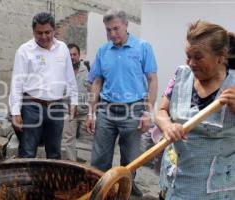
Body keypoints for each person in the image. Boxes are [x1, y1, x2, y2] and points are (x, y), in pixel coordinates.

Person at [155, 20, 235, 199]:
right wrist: (168, 126)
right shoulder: (180, 75)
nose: (191, 63)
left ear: (220, 56)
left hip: (214, 190)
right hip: (173, 182)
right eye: (188, 56)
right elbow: (161, 111)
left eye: (198, 57)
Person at [86, 9, 158, 198]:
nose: (112, 34)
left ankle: (127, 189)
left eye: (116, 29)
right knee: (99, 158)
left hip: (134, 110)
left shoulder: (143, 47)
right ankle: (101, 191)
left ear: (127, 25)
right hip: (106, 110)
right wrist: (90, 113)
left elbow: (152, 79)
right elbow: (97, 82)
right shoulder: (103, 50)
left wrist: (148, 112)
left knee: (131, 158)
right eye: (108, 30)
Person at [9, 12, 78, 159]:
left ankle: (50, 181)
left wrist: (74, 101)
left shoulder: (63, 49)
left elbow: (70, 78)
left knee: (54, 152)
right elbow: (17, 82)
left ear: (54, 30)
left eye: (48, 32)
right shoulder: (24, 50)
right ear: (33, 31)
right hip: (32, 107)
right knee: (27, 151)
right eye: (39, 33)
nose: (44, 36)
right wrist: (15, 112)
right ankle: (27, 182)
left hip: (57, 107)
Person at [61, 43, 89, 161]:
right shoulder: (62, 71)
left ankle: (91, 165)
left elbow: (93, 90)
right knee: (68, 139)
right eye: (69, 54)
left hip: (85, 112)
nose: (72, 57)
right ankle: (73, 164)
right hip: (69, 112)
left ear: (79, 55)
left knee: (94, 138)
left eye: (74, 54)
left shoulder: (88, 70)